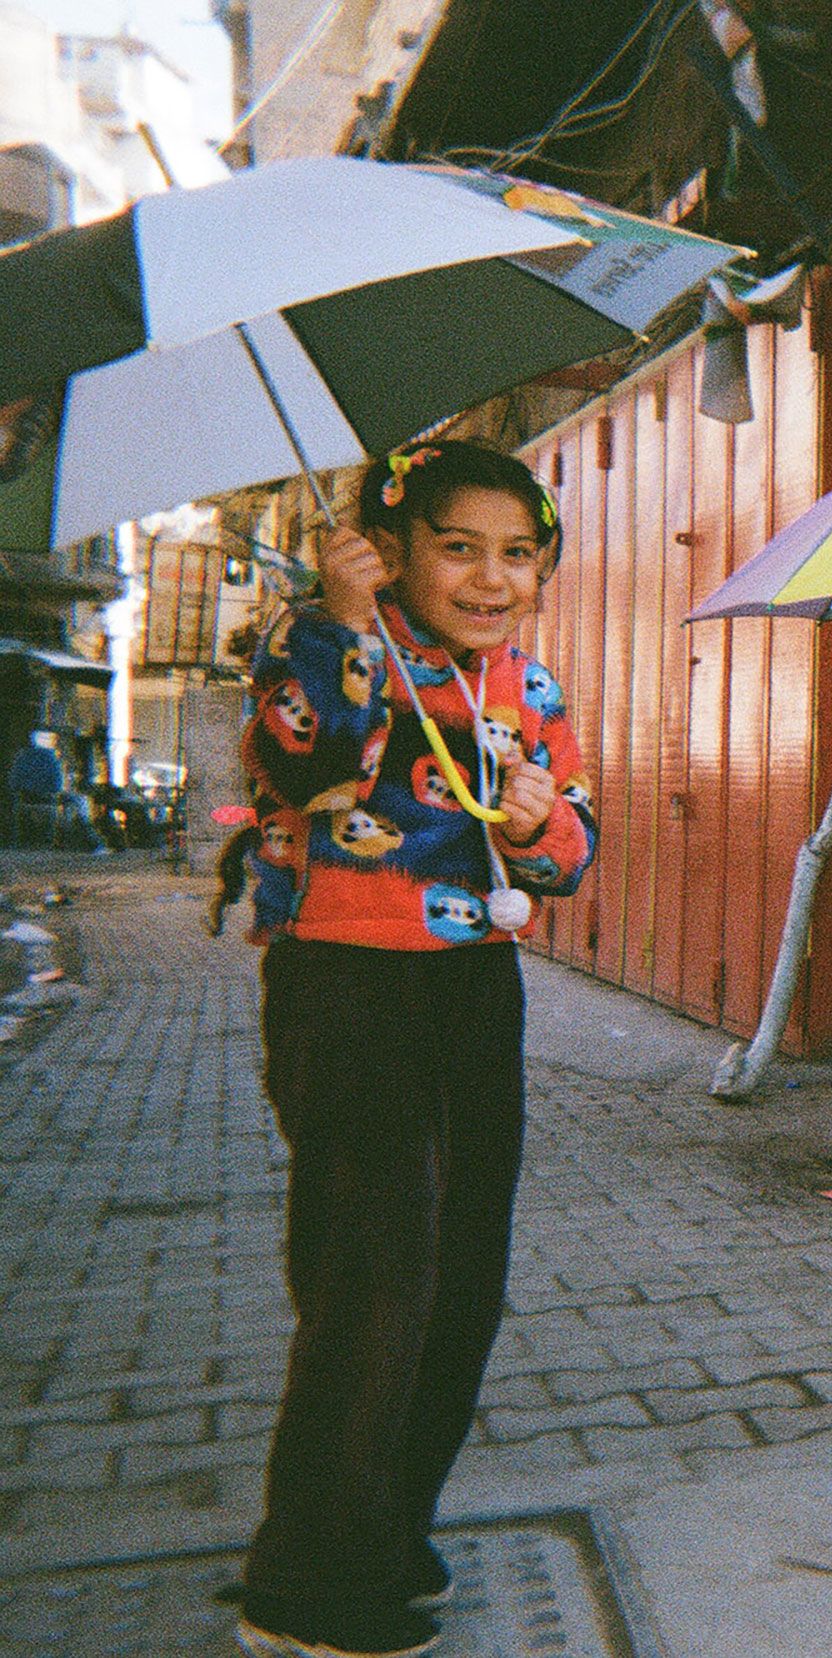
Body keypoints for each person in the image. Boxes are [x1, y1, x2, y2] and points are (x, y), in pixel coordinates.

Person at [233, 441, 598, 1658]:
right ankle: (302, 1582)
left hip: (473, 985)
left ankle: (385, 1523)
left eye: (517, 553)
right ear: (394, 551)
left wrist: (551, 827)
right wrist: (341, 621)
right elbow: (303, 757)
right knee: (376, 1261)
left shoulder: (529, 688)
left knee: (461, 1274)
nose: (491, 578)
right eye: (459, 548)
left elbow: (567, 849)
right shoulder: (321, 644)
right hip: (345, 980)